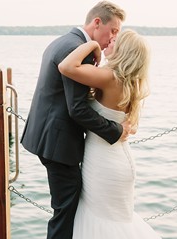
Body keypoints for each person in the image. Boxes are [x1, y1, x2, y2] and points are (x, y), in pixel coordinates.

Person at [20, 0, 132, 239]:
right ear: (96, 22)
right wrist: (115, 130)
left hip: (46, 135)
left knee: (65, 206)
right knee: (65, 211)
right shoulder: (80, 51)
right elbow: (78, 109)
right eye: (112, 31)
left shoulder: (62, 41)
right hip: (59, 143)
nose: (113, 38)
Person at [59, 29, 159, 238]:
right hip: (119, 157)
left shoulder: (110, 77)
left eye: (114, 41)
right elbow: (129, 124)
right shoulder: (132, 81)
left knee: (104, 223)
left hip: (104, 161)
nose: (107, 44)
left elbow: (66, 66)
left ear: (124, 50)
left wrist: (91, 45)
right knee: (114, 222)